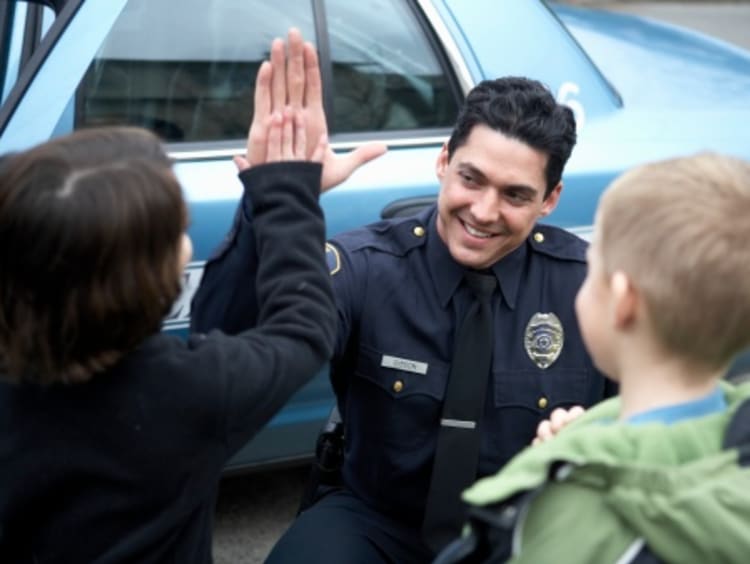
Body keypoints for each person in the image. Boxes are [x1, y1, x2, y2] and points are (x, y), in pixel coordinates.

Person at [192, 34, 614, 564]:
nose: (483, 211)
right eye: (471, 179)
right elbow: (227, 344)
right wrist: (274, 201)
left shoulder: (589, 288)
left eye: (514, 195)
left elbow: (664, 414)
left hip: (525, 532)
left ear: (550, 200)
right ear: (443, 162)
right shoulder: (366, 267)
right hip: (379, 520)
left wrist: (600, 443)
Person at [0, 55, 338, 561]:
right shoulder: (189, 393)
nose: (186, 242)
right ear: (148, 283)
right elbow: (303, 328)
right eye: (177, 233)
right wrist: (288, 188)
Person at [436, 152, 750, 563]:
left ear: (623, 302)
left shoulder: (569, 508)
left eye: (591, 268)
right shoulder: (735, 440)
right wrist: (594, 434)